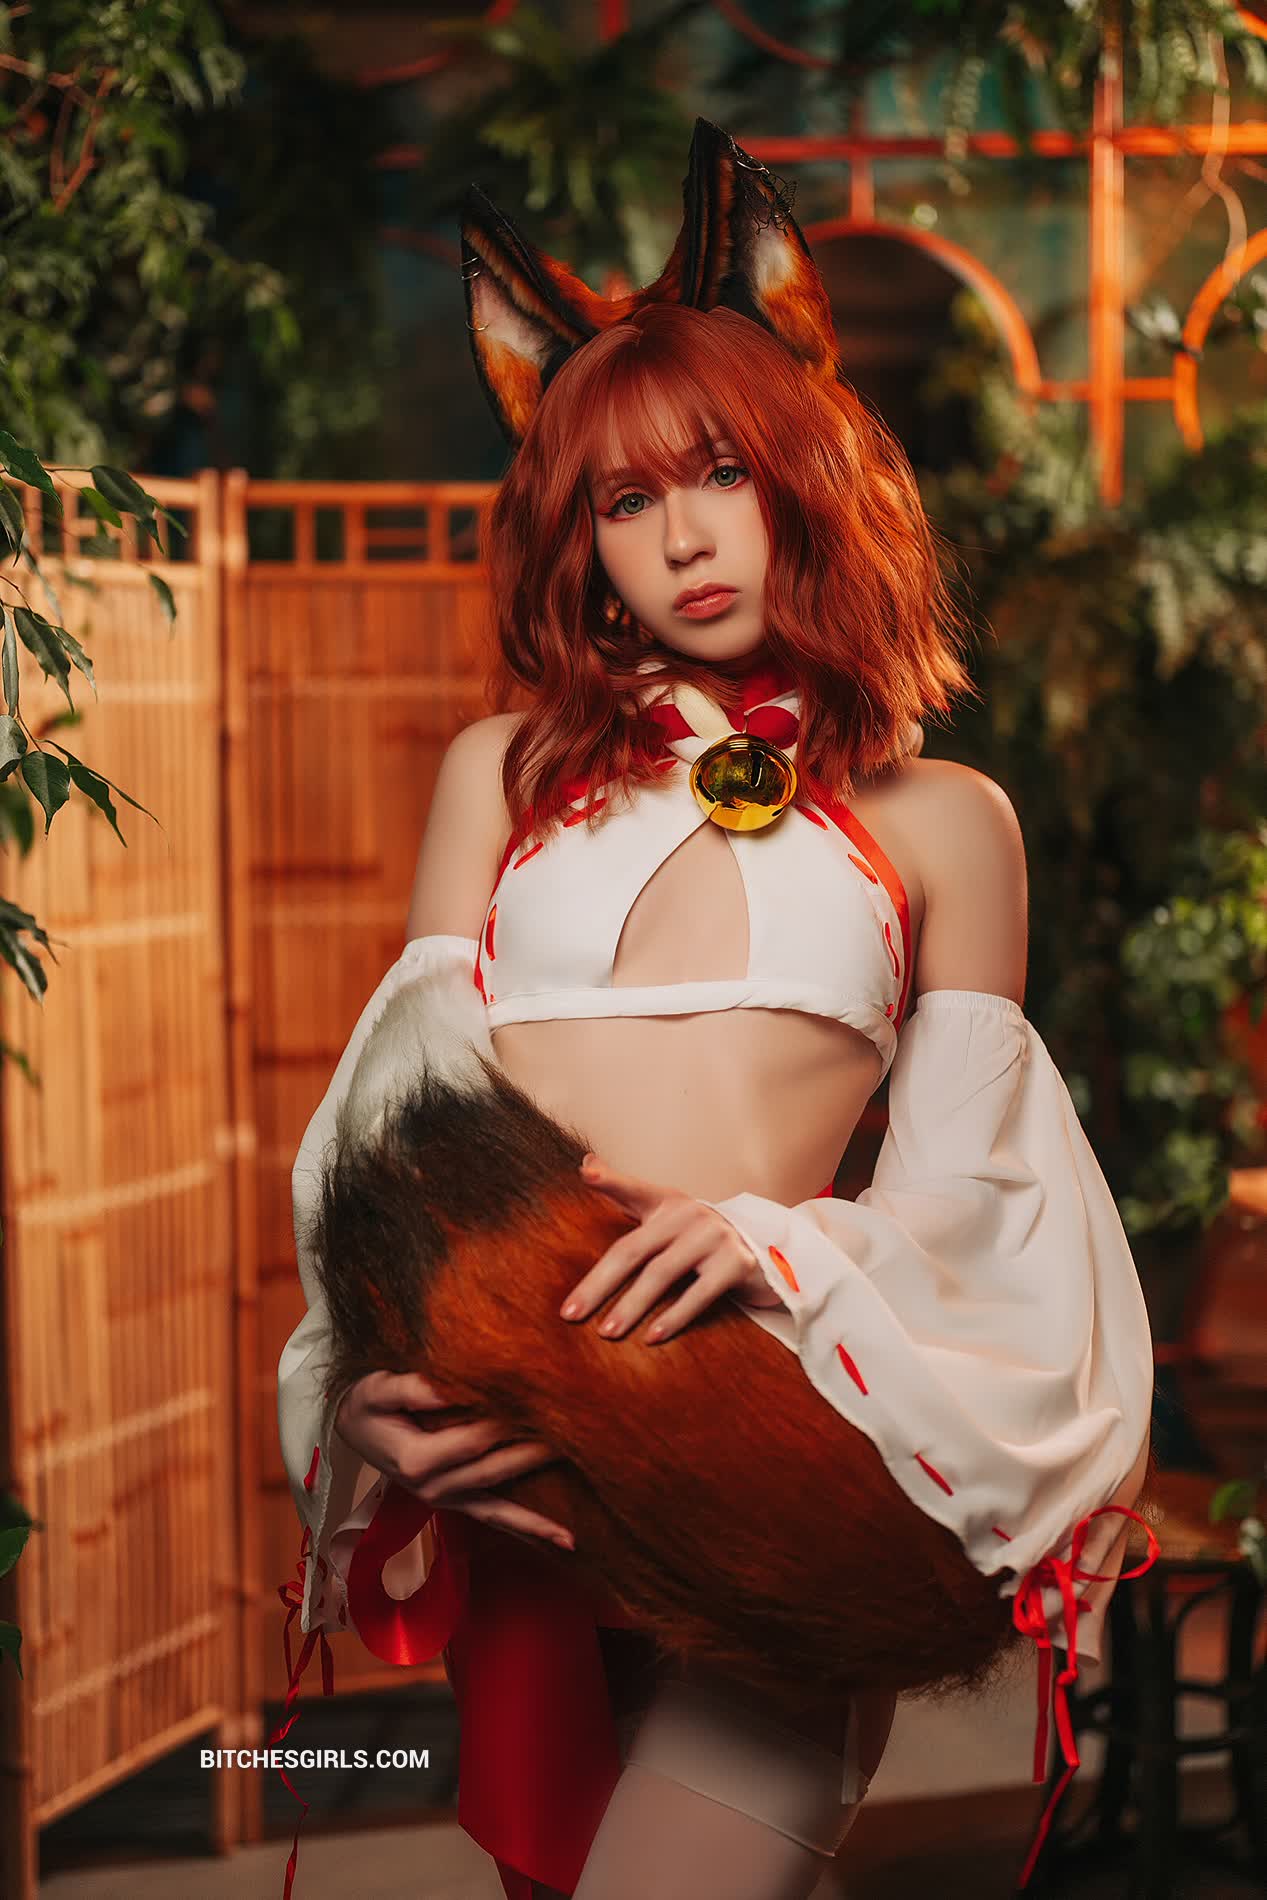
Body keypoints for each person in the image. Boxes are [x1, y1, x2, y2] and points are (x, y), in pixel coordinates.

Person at [276, 120, 1156, 1900]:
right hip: (527, 1454)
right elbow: (398, 1136)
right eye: (623, 502)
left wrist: (776, 1244)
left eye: (722, 474)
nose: (681, 539)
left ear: (805, 476)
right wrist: (366, 1388)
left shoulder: (945, 821)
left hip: (775, 1445)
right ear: (578, 538)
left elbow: (984, 1205)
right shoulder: (498, 779)